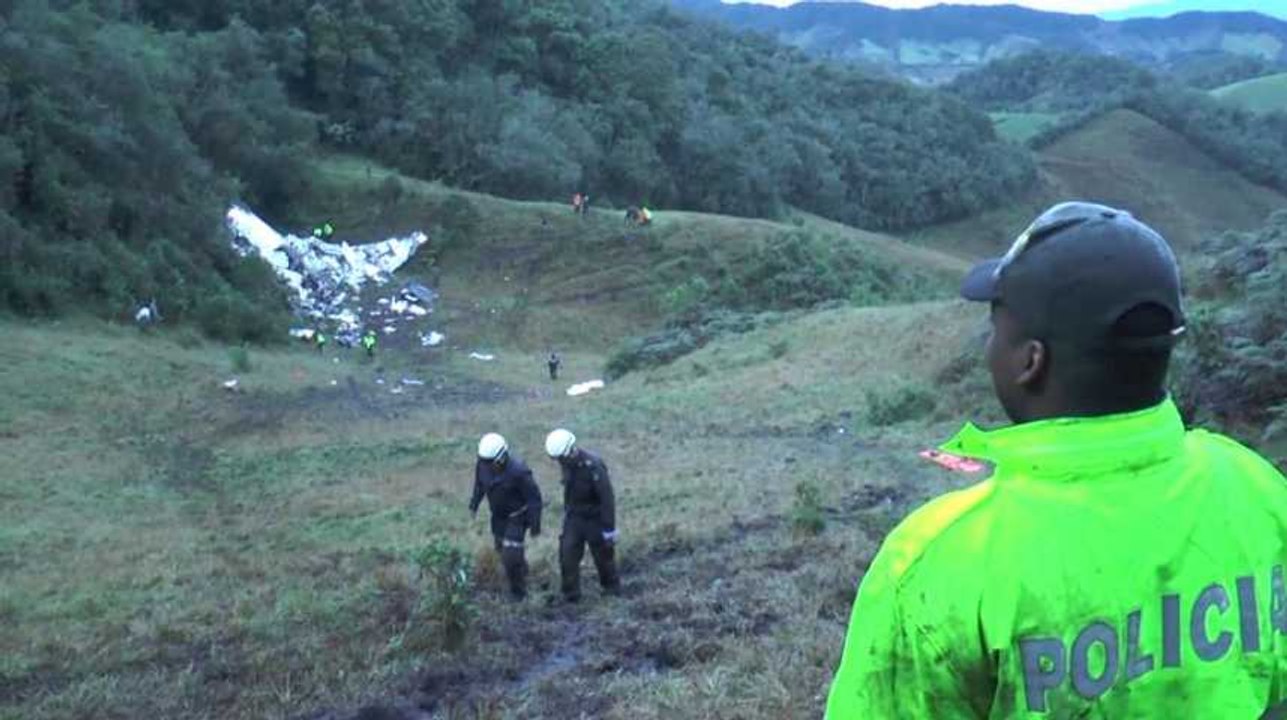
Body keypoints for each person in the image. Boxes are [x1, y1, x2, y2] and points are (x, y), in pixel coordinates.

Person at [826, 202, 1287, 718]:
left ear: (1030, 362)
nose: (988, 347)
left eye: (996, 329)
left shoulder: (933, 564)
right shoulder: (1257, 488)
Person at [545, 429, 619, 602]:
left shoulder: (593, 466)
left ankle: (612, 590)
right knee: (567, 554)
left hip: (595, 518)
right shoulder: (567, 464)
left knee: (603, 556)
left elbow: (607, 498)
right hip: (575, 517)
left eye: (560, 459)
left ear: (570, 451)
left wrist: (609, 529)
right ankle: (571, 595)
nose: (559, 463)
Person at [469, 433, 542, 601]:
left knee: (510, 554)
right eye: (484, 462)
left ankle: (519, 594)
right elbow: (479, 485)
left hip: (518, 517)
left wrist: (535, 525)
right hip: (498, 517)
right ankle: (522, 572)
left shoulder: (520, 472)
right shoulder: (482, 465)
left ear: (501, 457)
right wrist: (474, 505)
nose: (487, 466)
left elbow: (534, 499)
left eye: (490, 463)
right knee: (502, 550)